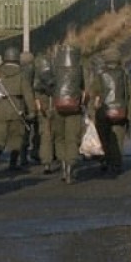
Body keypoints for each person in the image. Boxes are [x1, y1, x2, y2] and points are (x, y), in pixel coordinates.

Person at [87, 48, 131, 177]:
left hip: (104, 113)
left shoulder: (100, 75)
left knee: (105, 137)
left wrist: (92, 111)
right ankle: (117, 165)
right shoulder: (123, 75)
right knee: (118, 139)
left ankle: (107, 161)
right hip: (120, 113)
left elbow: (93, 93)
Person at [43, 41, 87, 184]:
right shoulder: (80, 69)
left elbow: (47, 87)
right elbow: (85, 89)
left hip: (57, 108)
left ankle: (63, 165)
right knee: (72, 139)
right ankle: (70, 166)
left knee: (60, 138)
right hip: (74, 109)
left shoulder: (55, 69)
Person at [0, 47, 34, 172]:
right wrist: (32, 111)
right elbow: (28, 94)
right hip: (16, 108)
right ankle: (13, 163)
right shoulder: (22, 74)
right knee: (16, 137)